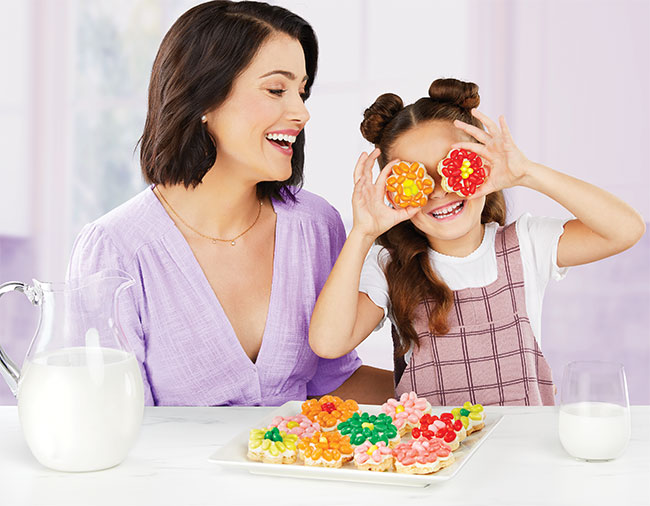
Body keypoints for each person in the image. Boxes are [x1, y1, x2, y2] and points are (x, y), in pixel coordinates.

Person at [67, 0, 392, 406]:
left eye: (302, 92)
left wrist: (468, 394)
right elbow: (109, 420)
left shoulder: (316, 224)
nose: (302, 111)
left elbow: (330, 384)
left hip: (296, 471)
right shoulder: (115, 250)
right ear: (203, 96)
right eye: (276, 89)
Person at [309, 78, 645, 406]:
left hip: (520, 449)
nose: (440, 190)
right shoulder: (389, 266)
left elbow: (624, 229)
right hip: (435, 456)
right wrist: (363, 232)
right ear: (394, 195)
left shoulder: (527, 244)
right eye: (417, 179)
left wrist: (526, 173)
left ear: (483, 166)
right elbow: (328, 342)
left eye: (453, 168)